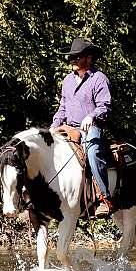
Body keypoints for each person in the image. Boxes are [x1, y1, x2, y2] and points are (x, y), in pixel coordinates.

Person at [50, 38, 113, 217]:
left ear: (89, 58)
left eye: (77, 57)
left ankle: (104, 198)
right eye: (72, 57)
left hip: (91, 127)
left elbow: (104, 106)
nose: (73, 60)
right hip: (68, 128)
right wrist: (53, 128)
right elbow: (62, 107)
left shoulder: (99, 79)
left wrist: (91, 116)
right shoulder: (67, 81)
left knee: (92, 152)